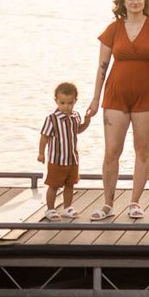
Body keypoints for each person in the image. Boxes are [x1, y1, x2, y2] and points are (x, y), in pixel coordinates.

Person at [85, 0, 149, 220]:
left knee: (142, 150)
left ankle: (134, 202)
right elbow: (102, 66)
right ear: (123, 3)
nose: (135, 2)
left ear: (146, 2)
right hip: (115, 94)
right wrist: (95, 98)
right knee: (112, 151)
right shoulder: (113, 29)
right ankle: (107, 204)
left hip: (148, 93)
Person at [37, 81, 93, 220]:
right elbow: (44, 136)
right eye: (62, 103)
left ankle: (67, 208)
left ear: (75, 101)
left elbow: (77, 131)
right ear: (56, 101)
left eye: (69, 103)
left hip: (72, 159)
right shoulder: (52, 119)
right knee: (53, 185)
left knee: (70, 185)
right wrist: (41, 153)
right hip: (57, 160)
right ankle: (50, 209)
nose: (66, 106)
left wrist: (86, 122)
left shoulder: (75, 117)